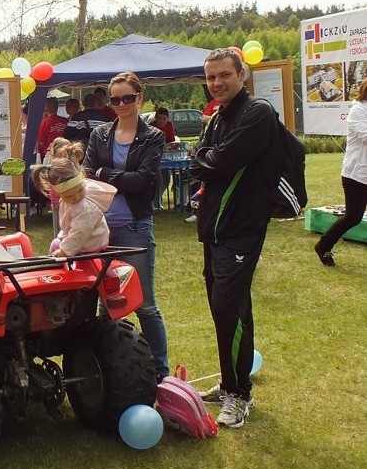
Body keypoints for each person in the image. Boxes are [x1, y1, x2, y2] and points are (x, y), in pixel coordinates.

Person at [189, 47, 280, 428]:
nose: (217, 83)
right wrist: (209, 158)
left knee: (229, 309)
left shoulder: (257, 112)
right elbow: (200, 159)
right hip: (214, 227)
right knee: (227, 309)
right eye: (211, 77)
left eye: (224, 74)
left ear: (242, 73)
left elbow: (219, 162)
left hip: (241, 229)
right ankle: (231, 384)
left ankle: (239, 394)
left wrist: (209, 159)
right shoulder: (218, 116)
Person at [82, 72, 168, 382]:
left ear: (140, 98)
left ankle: (161, 374)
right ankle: (110, 371)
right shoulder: (101, 134)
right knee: (107, 305)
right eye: (115, 99)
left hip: (133, 227)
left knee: (145, 304)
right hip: (98, 232)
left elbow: (144, 181)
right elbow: (88, 175)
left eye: (128, 98)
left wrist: (107, 173)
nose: (121, 104)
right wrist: (113, 176)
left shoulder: (153, 136)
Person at [313, 78, 367, 266]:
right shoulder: (358, 110)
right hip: (356, 174)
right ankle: (323, 246)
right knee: (353, 217)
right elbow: (365, 136)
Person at [31, 157, 116, 256]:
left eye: (80, 190)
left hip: (90, 243)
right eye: (69, 195)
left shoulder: (86, 208)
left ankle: (59, 267)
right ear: (59, 194)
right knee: (56, 244)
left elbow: (80, 233)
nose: (76, 197)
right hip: (82, 241)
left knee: (56, 247)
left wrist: (64, 251)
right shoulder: (67, 201)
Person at [42, 137, 84, 236]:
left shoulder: (69, 165)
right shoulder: (57, 167)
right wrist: (55, 201)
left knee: (66, 222)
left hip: (66, 200)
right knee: (62, 223)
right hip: (61, 201)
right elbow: (52, 187)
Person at [149, 108, 176, 210]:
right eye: (159, 118)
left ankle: (158, 199)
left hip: (165, 156)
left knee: (167, 179)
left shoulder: (169, 125)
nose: (161, 121)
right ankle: (155, 203)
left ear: (167, 119)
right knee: (158, 180)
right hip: (154, 157)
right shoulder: (151, 126)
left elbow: (171, 142)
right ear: (156, 118)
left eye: (164, 119)